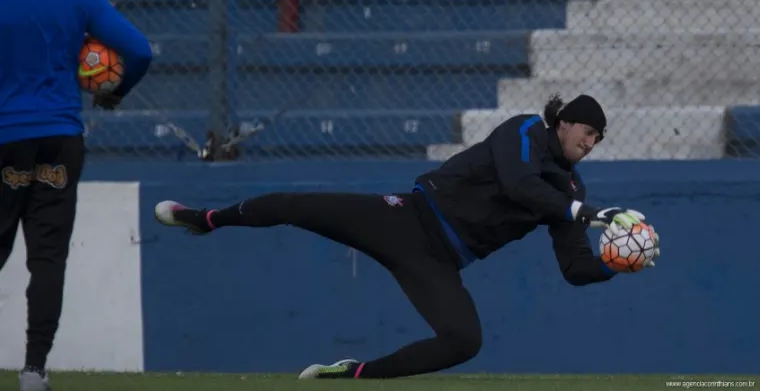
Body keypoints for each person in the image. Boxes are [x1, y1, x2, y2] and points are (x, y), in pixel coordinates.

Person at [154, 93, 660, 380]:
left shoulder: (572, 189)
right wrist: (587, 211)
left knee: (465, 341)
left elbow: (573, 268)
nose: (590, 144)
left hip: (438, 263)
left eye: (597, 140)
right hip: (406, 219)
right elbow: (519, 184)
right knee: (296, 206)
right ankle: (205, 219)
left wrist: (614, 264)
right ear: (564, 121)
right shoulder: (526, 129)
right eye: (586, 133)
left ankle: (353, 373)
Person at [0, 0, 153, 389]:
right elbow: (139, 51)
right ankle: (33, 370)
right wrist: (113, 91)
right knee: (46, 257)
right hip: (60, 140)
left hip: (5, 137)